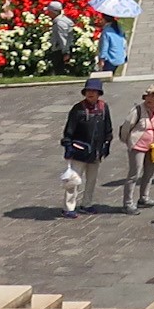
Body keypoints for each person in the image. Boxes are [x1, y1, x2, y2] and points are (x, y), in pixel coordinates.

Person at [59, 77, 114, 215]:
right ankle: (69, 207)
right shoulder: (77, 109)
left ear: (99, 93)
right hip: (79, 151)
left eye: (94, 91)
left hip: (96, 152)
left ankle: (86, 204)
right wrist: (68, 146)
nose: (91, 93)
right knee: (73, 181)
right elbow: (69, 130)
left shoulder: (103, 108)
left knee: (91, 181)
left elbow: (108, 128)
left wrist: (106, 144)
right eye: (88, 90)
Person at [118, 88, 154, 213]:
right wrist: (128, 142)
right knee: (134, 174)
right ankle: (127, 203)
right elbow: (126, 128)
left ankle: (144, 198)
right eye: (147, 96)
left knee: (149, 173)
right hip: (137, 146)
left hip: (153, 146)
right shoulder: (137, 110)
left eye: (152, 96)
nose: (149, 99)